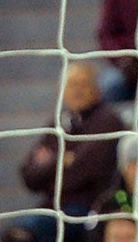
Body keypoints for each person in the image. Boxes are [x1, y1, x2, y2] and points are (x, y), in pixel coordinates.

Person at [19, 63, 122, 218]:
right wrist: (62, 160)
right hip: (55, 207)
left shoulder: (107, 121)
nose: (77, 91)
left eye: (84, 84)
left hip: (90, 208)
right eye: (72, 85)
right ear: (61, 90)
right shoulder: (59, 123)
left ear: (98, 89)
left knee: (29, 230)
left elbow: (85, 173)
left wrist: (49, 164)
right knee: (14, 234)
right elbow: (29, 176)